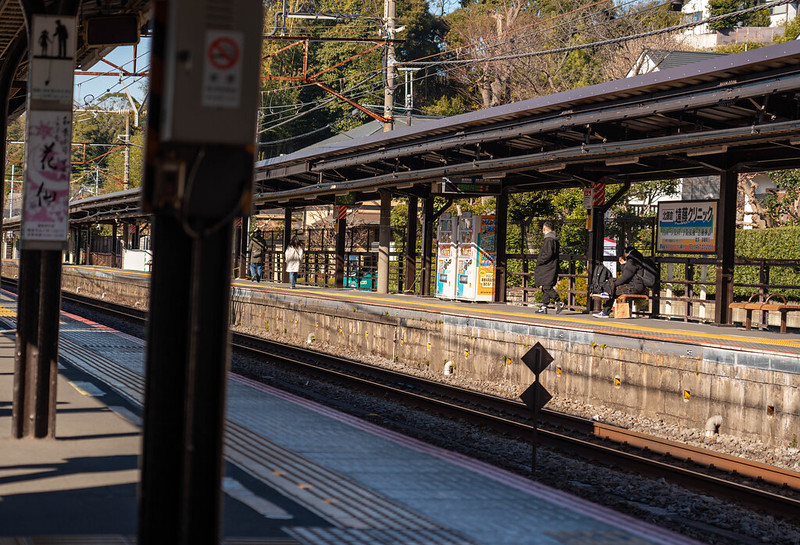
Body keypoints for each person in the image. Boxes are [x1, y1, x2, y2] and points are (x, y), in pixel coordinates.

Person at [594, 247, 647, 318]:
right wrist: (623, 264)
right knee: (612, 286)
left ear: (626, 253)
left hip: (635, 287)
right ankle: (605, 309)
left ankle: (605, 311)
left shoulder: (632, 261)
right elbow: (627, 275)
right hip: (635, 286)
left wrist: (613, 285)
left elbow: (625, 277)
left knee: (612, 288)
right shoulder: (636, 259)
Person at [534, 221, 564, 314]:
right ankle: (544, 306)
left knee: (546, 287)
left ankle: (559, 301)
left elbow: (547, 254)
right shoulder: (554, 239)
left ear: (544, 229)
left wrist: (539, 260)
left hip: (547, 267)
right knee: (546, 286)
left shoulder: (548, 240)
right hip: (552, 266)